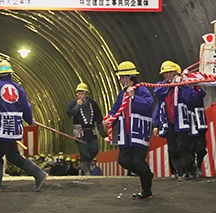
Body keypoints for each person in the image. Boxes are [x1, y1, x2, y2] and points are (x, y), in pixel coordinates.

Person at [0, 60, 48, 192]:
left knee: (12, 155)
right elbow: (26, 106)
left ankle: (39, 173)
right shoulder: (19, 88)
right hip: (14, 125)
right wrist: (29, 120)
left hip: (1, 125)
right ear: (10, 74)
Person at [103, 61, 155, 200]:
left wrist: (134, 97)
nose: (119, 80)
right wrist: (109, 118)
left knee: (138, 162)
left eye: (121, 77)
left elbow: (149, 104)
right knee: (123, 160)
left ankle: (146, 190)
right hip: (125, 135)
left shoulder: (141, 89)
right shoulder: (121, 94)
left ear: (128, 77)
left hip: (139, 133)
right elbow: (115, 109)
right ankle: (147, 174)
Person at [152, 61, 198, 181]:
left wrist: (183, 85)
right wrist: (155, 124)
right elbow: (157, 94)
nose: (164, 75)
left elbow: (192, 98)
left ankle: (188, 171)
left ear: (175, 72)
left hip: (181, 122)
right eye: (164, 73)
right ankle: (178, 170)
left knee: (183, 147)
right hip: (168, 123)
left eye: (167, 72)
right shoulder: (162, 86)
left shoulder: (183, 86)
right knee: (172, 148)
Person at [66, 82, 103, 176]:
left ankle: (87, 163)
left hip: (91, 131)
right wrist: (78, 106)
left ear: (86, 93)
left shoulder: (92, 104)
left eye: (81, 93)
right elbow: (70, 114)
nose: (79, 95)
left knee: (95, 148)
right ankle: (85, 167)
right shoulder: (73, 103)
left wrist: (101, 131)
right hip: (80, 132)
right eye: (78, 94)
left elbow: (99, 117)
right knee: (84, 151)